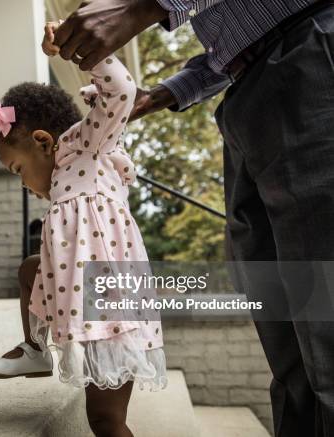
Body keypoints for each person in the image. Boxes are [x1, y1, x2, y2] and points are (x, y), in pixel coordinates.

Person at [50, 1, 334, 436]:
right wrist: (165, 93)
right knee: (288, 344)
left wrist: (141, 8)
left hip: (311, 54)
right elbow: (230, 43)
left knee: (325, 320)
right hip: (247, 88)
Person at [0, 20, 166, 437]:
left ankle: (41, 350)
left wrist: (75, 46)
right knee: (30, 269)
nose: (23, 183)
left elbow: (120, 92)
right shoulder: (63, 179)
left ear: (44, 143)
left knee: (105, 420)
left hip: (111, 303)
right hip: (82, 292)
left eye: (18, 170)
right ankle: (37, 349)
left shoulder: (88, 144)